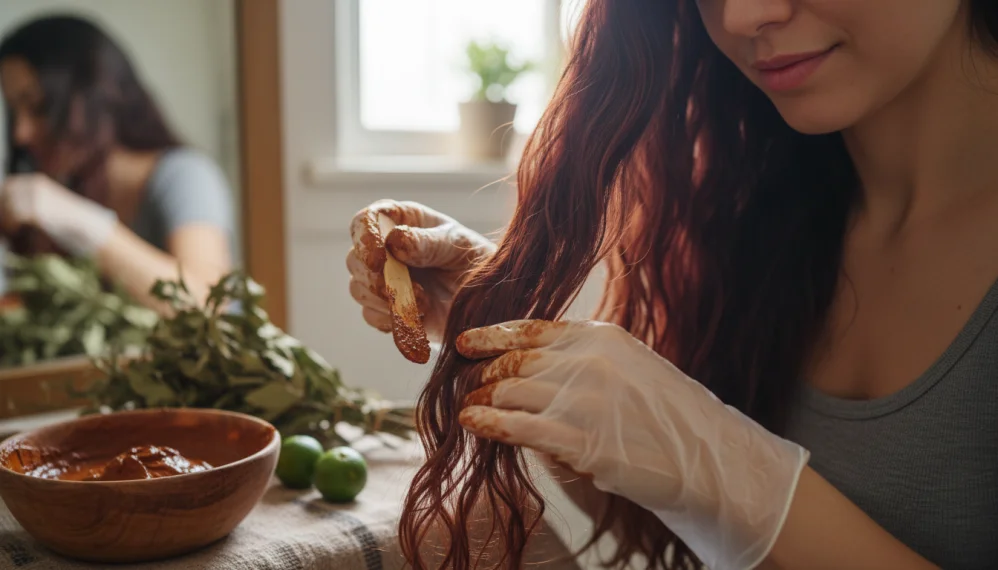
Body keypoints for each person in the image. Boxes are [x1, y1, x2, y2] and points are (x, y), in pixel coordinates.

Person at [350, 0, 997, 569]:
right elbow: (699, 528)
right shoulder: (767, 210)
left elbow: (731, 494)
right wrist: (493, 319)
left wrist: (730, 466)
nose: (742, 14)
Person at [0, 15, 235, 310]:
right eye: (13, 111)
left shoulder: (184, 177)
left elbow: (206, 304)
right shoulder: (69, 187)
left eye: (38, 106)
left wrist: (76, 220)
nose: (21, 133)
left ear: (92, 96)